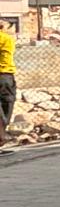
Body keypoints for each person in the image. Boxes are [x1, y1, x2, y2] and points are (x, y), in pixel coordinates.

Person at [0, 17, 14, 150]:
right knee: (7, 104)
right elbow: (6, 56)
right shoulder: (6, 39)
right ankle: (2, 135)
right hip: (4, 74)